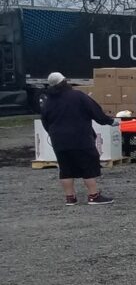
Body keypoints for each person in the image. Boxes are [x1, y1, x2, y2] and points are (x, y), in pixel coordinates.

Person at [39, 72, 115, 204]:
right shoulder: (78, 96)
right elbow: (94, 111)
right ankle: (93, 196)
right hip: (80, 138)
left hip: (59, 140)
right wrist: (109, 121)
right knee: (88, 166)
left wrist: (53, 133)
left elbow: (45, 121)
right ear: (64, 82)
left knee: (65, 169)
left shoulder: (48, 101)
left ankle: (70, 198)